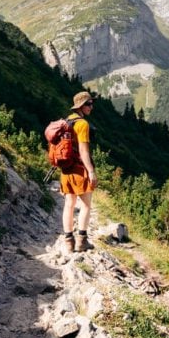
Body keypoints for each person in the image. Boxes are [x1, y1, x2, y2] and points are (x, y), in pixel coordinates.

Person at [61, 90, 97, 253]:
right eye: (89, 104)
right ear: (81, 106)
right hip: (79, 169)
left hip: (66, 169)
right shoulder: (82, 124)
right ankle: (82, 241)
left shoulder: (67, 121)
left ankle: (69, 241)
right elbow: (84, 151)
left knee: (69, 204)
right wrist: (91, 171)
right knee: (86, 205)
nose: (92, 107)